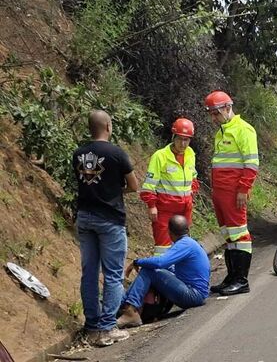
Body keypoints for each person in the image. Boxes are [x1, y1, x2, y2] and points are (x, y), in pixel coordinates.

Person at [72, 110, 139, 347]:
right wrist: (114, 190)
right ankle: (108, 327)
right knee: (112, 274)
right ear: (108, 126)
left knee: (89, 272)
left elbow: (83, 182)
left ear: (91, 128)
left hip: (85, 218)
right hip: (110, 219)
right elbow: (133, 185)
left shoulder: (78, 154)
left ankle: (91, 327)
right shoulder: (116, 153)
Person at [204, 91, 259, 295]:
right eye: (210, 114)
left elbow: (252, 163)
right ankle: (232, 276)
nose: (213, 118)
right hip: (221, 192)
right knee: (228, 235)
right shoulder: (222, 131)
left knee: (239, 234)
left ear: (227, 108)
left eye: (215, 113)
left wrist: (243, 189)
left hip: (234, 191)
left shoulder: (244, 130)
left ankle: (241, 280)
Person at [117, 215, 210, 328]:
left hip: (193, 295)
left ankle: (131, 311)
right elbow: (170, 268)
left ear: (170, 233)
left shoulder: (185, 244)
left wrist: (138, 262)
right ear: (188, 229)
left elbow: (161, 262)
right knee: (153, 270)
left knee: (149, 271)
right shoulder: (190, 243)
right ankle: (123, 305)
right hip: (196, 293)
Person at [140, 118, 199, 256]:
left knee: (183, 246)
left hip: (185, 209)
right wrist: (151, 206)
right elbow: (149, 185)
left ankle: (179, 276)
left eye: (187, 140)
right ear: (173, 137)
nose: (183, 144)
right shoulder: (160, 156)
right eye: (180, 139)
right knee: (163, 247)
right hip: (165, 209)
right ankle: (161, 275)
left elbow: (193, 177)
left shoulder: (190, 154)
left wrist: (192, 192)